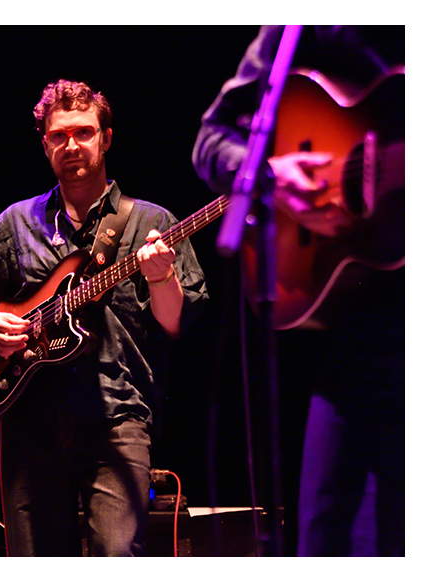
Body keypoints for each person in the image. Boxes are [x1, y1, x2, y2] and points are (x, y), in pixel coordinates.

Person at [0, 79, 208, 556]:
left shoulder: (152, 223)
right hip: (29, 423)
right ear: (44, 142)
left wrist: (161, 277)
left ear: (105, 137)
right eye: (58, 135)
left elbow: (177, 323)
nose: (72, 145)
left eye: (83, 133)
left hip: (117, 419)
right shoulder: (17, 222)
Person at [192, 25, 405, 556]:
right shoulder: (310, 23)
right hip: (355, 330)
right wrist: (266, 172)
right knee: (323, 536)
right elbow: (212, 137)